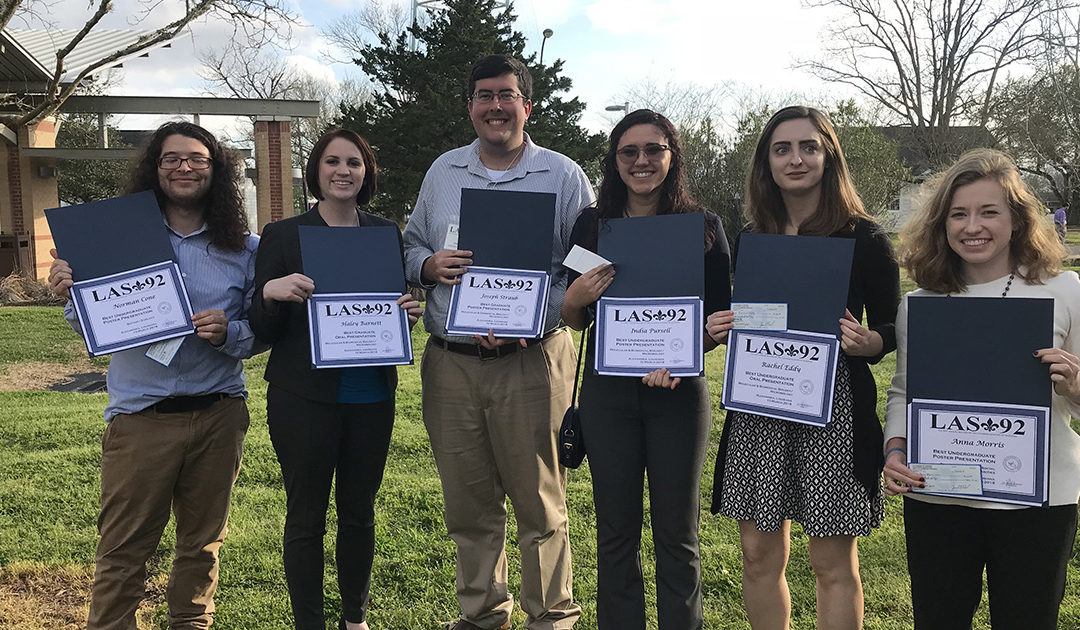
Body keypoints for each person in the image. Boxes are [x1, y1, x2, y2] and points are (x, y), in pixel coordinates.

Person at [401, 54, 595, 630]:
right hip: (453, 364)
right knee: (468, 501)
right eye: (483, 95)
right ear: (471, 107)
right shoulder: (443, 173)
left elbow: (586, 265)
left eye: (506, 95)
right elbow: (409, 246)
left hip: (532, 359)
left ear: (525, 105)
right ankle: (484, 614)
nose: (494, 106)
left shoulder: (563, 175)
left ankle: (550, 616)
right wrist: (429, 264)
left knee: (540, 499)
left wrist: (533, 309)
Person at [47, 121, 263, 629]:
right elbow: (93, 329)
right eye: (172, 158)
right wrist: (72, 295)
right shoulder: (112, 240)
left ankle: (192, 623)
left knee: (202, 544)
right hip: (141, 418)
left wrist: (229, 332)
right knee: (123, 549)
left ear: (217, 170)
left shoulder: (245, 249)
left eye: (197, 159)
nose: (184, 167)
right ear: (155, 168)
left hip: (219, 414)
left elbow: (261, 333)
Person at [710, 106, 900, 629]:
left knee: (831, 561)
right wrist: (728, 324)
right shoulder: (753, 237)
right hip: (760, 402)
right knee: (757, 554)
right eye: (782, 149)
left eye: (809, 147)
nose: (796, 159)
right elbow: (753, 314)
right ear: (766, 164)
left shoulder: (864, 237)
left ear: (829, 156)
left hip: (833, 410)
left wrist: (870, 342)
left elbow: (895, 324)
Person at [883, 148, 1080, 629]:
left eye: (989, 212)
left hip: (1039, 500)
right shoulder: (921, 303)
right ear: (942, 225)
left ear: (1016, 220)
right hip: (939, 496)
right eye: (959, 214)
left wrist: (1076, 386)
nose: (973, 226)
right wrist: (894, 447)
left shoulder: (1064, 290)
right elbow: (905, 390)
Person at [559, 109, 731, 629]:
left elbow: (720, 318)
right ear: (614, 161)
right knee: (615, 532)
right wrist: (577, 294)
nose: (641, 161)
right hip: (607, 396)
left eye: (653, 149)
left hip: (677, 393)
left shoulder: (703, 227)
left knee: (678, 533)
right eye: (629, 152)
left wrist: (684, 355)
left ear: (672, 155)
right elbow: (573, 316)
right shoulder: (593, 225)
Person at [248, 129, 422, 630]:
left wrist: (402, 317)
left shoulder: (384, 232)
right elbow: (262, 328)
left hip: (370, 395)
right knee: (306, 517)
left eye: (354, 162)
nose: (343, 171)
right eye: (332, 162)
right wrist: (271, 293)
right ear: (316, 171)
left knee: (359, 513)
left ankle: (354, 618)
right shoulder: (283, 235)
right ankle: (310, 622)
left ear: (366, 173)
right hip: (303, 398)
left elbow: (386, 306)